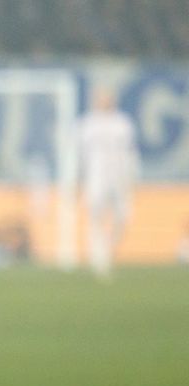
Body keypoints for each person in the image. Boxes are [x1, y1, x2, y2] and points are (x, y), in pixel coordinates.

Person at [78, 87, 139, 279]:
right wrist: (78, 179)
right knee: (95, 217)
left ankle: (109, 248)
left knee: (123, 217)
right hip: (96, 177)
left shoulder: (123, 124)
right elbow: (80, 156)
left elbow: (131, 153)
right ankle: (99, 259)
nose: (104, 102)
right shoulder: (86, 124)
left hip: (119, 177)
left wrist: (133, 177)